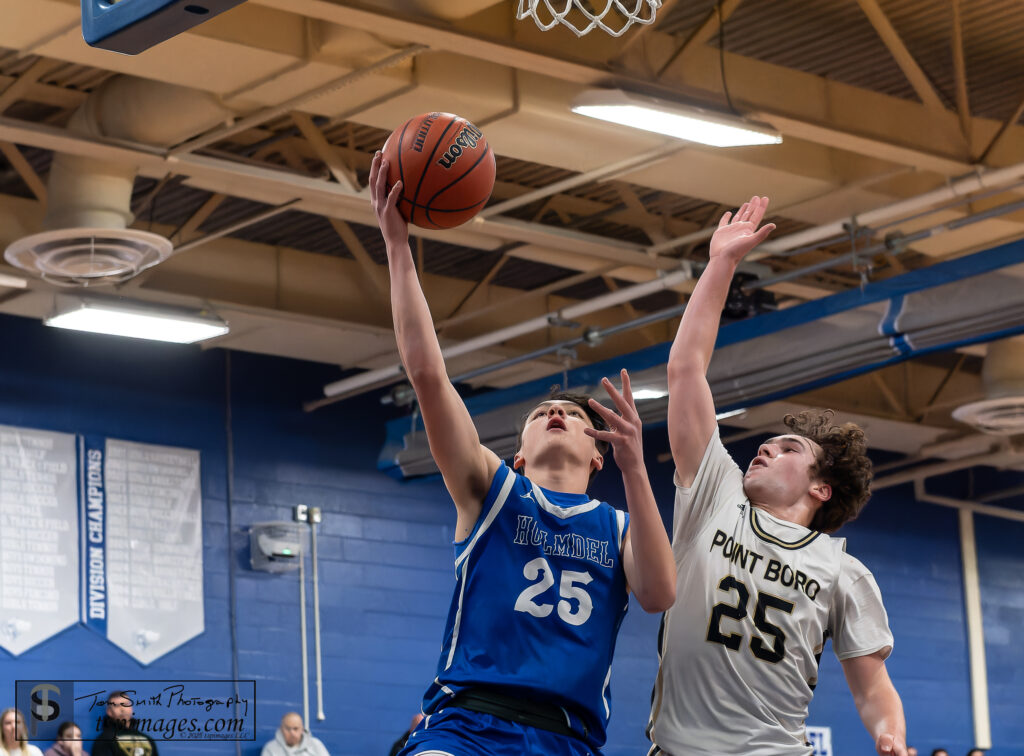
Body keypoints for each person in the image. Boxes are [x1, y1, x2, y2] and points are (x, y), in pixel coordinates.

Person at [369, 152, 675, 756]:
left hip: (568, 736)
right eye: (541, 415)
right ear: (516, 455)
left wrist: (638, 467)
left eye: (578, 417)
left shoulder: (617, 527)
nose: (558, 414)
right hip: (469, 725)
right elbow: (429, 375)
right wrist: (398, 246)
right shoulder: (491, 490)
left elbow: (660, 595)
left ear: (598, 455)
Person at [647, 196, 907, 756]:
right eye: (766, 443)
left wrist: (889, 735)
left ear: (821, 488)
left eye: (788, 448)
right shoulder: (714, 498)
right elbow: (685, 368)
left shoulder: (845, 572)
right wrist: (719, 265)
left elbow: (872, 687)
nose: (764, 448)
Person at [90, 692, 158, 756]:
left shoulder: (147, 739)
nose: (122, 709)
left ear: (131, 708)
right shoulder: (104, 740)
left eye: (126, 704)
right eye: (116, 705)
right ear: (109, 711)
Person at [260, 713, 329, 756]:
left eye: (295, 728)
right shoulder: (271, 748)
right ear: (281, 729)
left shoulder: (316, 745)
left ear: (302, 729)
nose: (292, 733)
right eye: (288, 728)